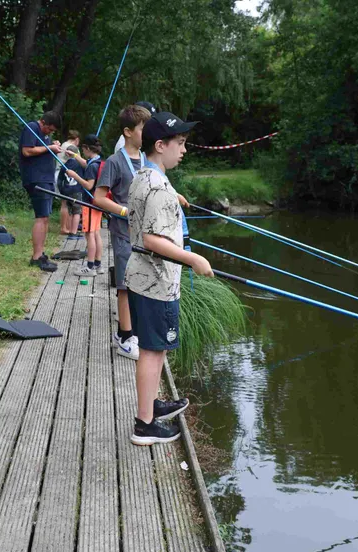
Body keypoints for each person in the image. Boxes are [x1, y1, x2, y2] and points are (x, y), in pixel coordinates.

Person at [124, 112, 212, 446]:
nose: (184, 150)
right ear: (160, 145)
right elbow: (151, 239)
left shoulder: (145, 175)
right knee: (152, 350)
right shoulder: (158, 187)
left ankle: (150, 406)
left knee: (154, 348)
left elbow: (153, 199)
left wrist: (174, 198)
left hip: (142, 278)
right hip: (156, 283)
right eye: (180, 143)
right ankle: (144, 424)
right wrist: (195, 259)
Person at [95, 105, 152, 361]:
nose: (148, 134)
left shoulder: (149, 160)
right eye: (143, 130)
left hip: (148, 236)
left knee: (143, 283)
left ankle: (135, 331)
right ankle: (125, 337)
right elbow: (99, 198)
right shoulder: (114, 162)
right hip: (123, 234)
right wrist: (124, 211)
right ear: (128, 132)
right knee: (125, 286)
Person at [19, 110, 62, 272]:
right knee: (41, 216)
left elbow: (44, 148)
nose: (50, 132)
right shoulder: (31, 127)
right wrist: (49, 147)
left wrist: (53, 145)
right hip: (37, 179)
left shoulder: (44, 134)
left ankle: (41, 253)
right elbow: (27, 151)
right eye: (49, 129)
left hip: (46, 179)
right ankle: (36, 257)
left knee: (45, 217)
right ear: (42, 122)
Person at [66, 134, 104, 278]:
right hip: (98, 202)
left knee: (89, 235)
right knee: (96, 233)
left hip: (89, 203)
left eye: (83, 150)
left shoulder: (91, 166)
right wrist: (75, 155)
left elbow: (89, 185)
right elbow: (87, 165)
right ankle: (98, 264)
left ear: (87, 148)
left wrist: (74, 175)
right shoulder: (98, 162)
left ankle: (89, 267)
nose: (82, 152)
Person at [57, 144, 84, 240]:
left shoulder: (64, 165)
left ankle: (69, 229)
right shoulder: (79, 165)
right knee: (77, 212)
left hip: (66, 191)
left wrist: (61, 190)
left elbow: (59, 180)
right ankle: (73, 232)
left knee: (70, 211)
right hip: (76, 190)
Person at [57, 130, 80, 234]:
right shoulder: (73, 149)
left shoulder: (63, 145)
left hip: (61, 175)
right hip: (69, 177)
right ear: (77, 139)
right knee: (71, 207)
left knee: (65, 203)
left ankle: (66, 227)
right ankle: (68, 228)